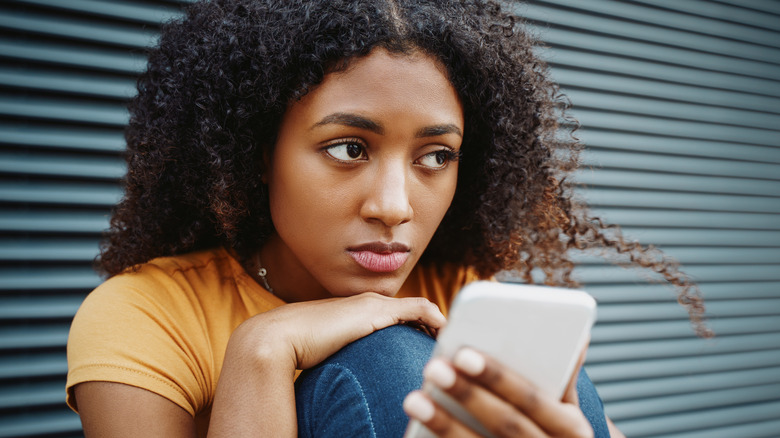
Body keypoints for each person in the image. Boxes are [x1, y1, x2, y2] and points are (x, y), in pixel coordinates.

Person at [66, 0, 709, 436]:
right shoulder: (144, 316)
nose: (395, 206)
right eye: (349, 148)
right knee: (393, 364)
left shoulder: (460, 294)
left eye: (435, 156)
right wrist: (260, 352)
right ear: (261, 153)